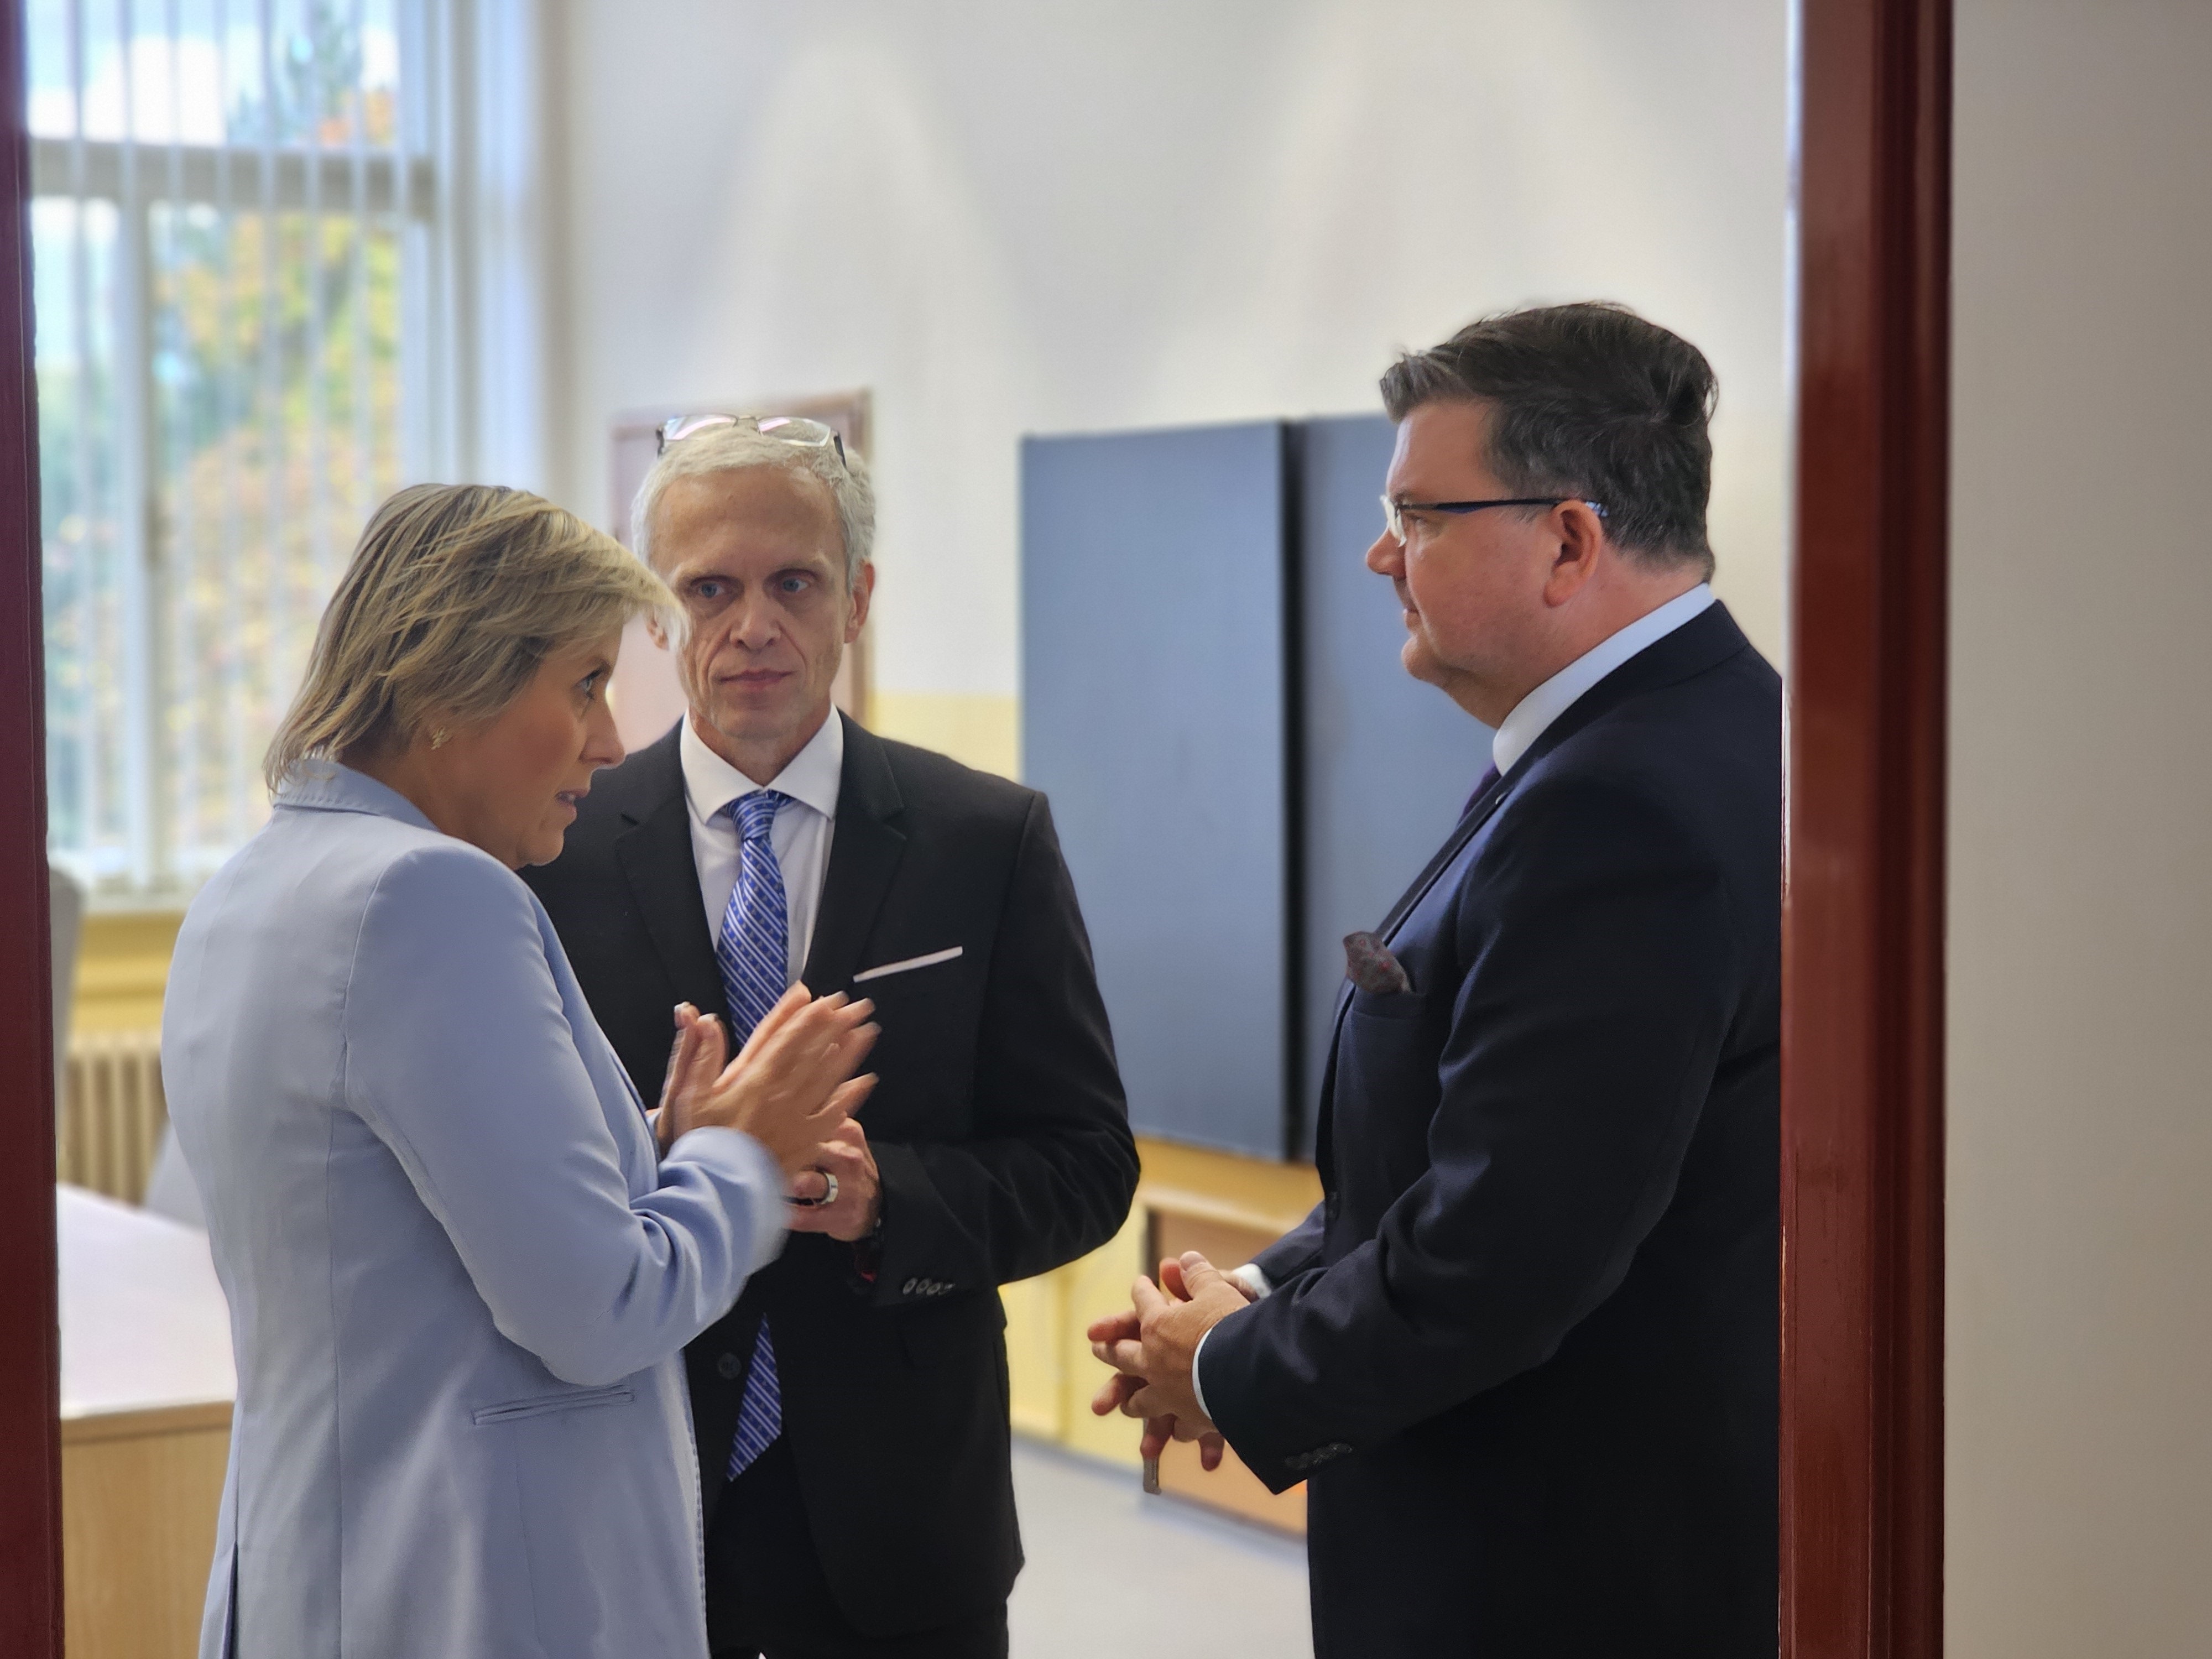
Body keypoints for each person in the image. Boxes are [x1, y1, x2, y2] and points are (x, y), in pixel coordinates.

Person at [1091, 304, 1782, 1657]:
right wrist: (1260, 1296)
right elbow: (1473, 1150)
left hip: (1553, 1579)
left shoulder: (1619, 807)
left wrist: (1226, 1368)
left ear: (1567, 541)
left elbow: (1504, 1251)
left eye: (1417, 516)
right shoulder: (1671, 732)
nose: (1378, 554)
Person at [162, 484, 880, 1659]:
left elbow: (392, 1228)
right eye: (585, 684)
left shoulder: (252, 887)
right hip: (472, 1585)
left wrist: (652, 1155)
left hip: (323, 1565)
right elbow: (600, 1311)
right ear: (454, 683)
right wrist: (738, 1165)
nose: (611, 740)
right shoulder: (429, 895)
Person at [522, 416, 1138, 1659]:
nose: (753, 626)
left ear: (856, 599)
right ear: (659, 618)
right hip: (634, 1502)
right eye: (710, 589)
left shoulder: (985, 840)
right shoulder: (552, 851)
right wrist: (675, 1158)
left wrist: (887, 1203)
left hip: (904, 1524)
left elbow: (1085, 1164)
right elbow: (517, 1180)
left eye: (793, 583)